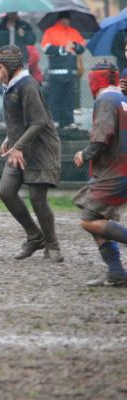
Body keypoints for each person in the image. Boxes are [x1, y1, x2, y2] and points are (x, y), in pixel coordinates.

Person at [0, 45, 63, 262]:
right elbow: (19, 118)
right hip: (19, 149)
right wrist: (10, 137)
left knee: (37, 198)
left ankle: (53, 245)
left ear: (12, 67)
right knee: (5, 191)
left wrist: (18, 146)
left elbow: (39, 121)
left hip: (40, 149)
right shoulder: (11, 85)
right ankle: (34, 236)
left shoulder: (28, 85)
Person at [72, 62, 127, 286]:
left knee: (89, 220)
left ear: (97, 81)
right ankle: (116, 273)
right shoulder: (122, 99)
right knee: (97, 216)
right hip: (116, 169)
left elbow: (103, 134)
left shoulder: (105, 100)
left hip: (114, 171)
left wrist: (85, 154)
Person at [41, 11, 85, 130]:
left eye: (67, 19)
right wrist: (63, 49)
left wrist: (75, 46)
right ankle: (54, 121)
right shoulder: (50, 32)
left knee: (69, 99)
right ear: (59, 20)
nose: (66, 21)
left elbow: (82, 48)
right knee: (55, 98)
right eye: (63, 19)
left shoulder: (74, 32)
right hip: (56, 72)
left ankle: (69, 122)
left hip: (71, 72)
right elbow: (46, 48)